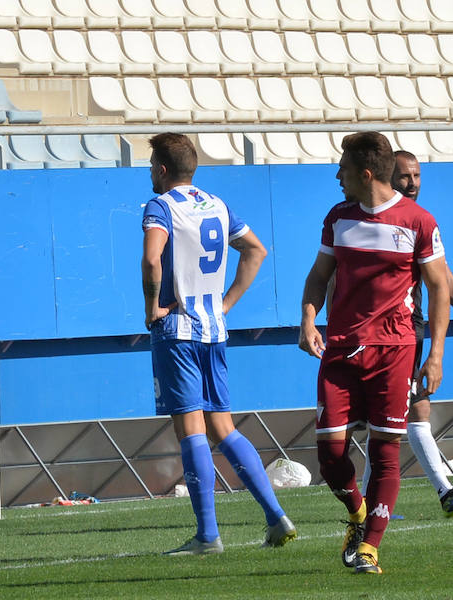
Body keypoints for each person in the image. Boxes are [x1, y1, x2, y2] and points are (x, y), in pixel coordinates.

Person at [299, 132, 450, 574]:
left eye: (342, 168)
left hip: (394, 350)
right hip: (341, 349)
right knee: (330, 453)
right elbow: (317, 276)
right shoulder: (338, 217)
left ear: (364, 174)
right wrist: (308, 319)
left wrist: (435, 354)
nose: (337, 175)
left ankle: (371, 548)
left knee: (385, 449)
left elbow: (440, 287)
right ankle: (358, 514)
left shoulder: (418, 221)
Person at [141, 132, 296, 556]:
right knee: (223, 427)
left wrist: (153, 307)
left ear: (161, 169)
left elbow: (153, 258)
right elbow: (256, 250)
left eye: (151, 163)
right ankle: (275, 515)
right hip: (214, 330)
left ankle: (208, 535)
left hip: (179, 331)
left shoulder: (161, 206)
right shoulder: (217, 204)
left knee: (190, 428)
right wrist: (225, 303)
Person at [357, 150, 453, 517]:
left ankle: (432, 492)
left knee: (410, 409)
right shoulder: (366, 221)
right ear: (387, 177)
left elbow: (442, 277)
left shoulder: (417, 221)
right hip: (376, 335)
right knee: (395, 415)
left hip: (407, 331)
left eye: (418, 176)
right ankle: (434, 491)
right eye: (406, 176)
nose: (413, 183)